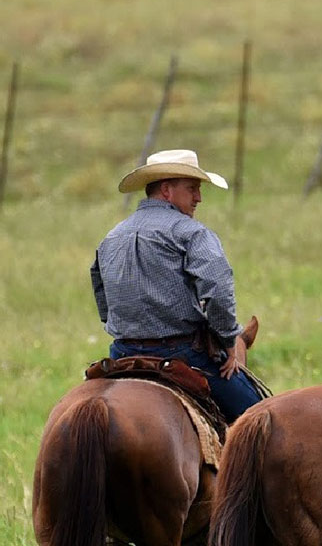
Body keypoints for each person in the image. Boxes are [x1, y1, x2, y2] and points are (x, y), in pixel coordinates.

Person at [91, 148, 262, 423]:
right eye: (192, 188)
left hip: (122, 352)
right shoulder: (191, 233)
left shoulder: (112, 237)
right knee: (262, 420)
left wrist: (125, 326)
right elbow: (216, 289)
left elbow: (101, 292)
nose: (199, 198)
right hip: (182, 354)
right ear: (167, 190)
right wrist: (228, 339)